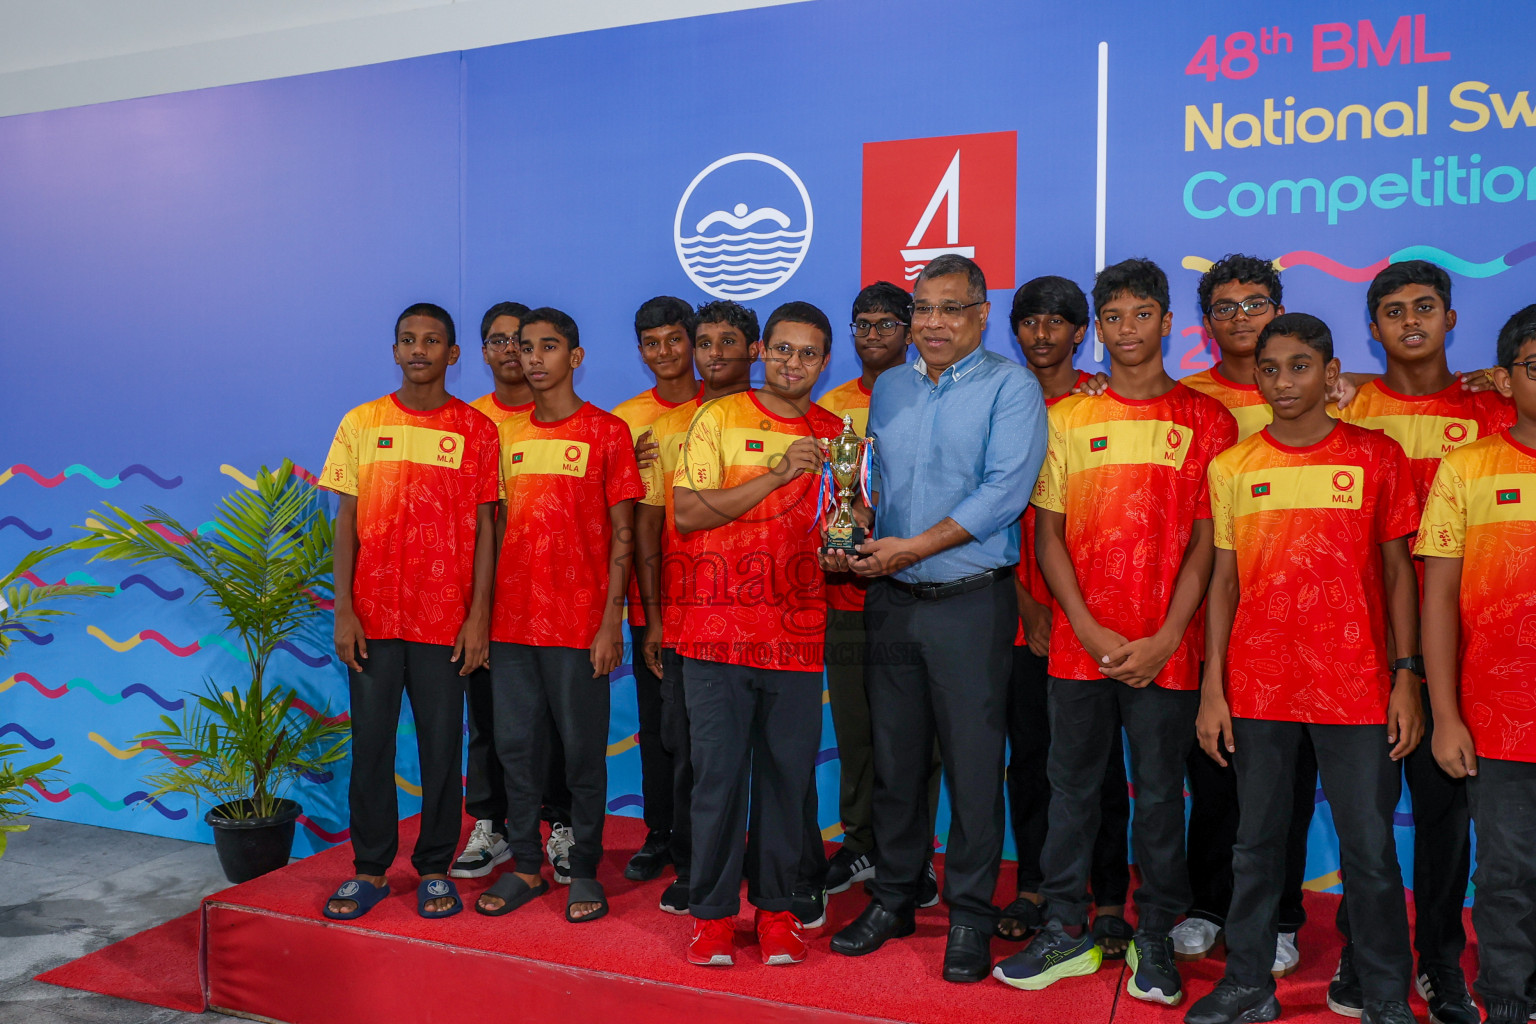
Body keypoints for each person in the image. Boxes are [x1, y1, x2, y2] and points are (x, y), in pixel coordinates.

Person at [995, 258, 1236, 1006]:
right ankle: (1066, 927)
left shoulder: (1207, 420)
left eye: (1141, 315)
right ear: (1097, 329)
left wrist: (1167, 635)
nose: (1127, 329)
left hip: (1168, 648)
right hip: (1080, 644)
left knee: (1162, 797)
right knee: (1071, 792)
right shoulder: (1066, 417)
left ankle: (1154, 936)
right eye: (1114, 317)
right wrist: (1088, 626)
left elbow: (1208, 542)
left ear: (1168, 324)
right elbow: (1048, 539)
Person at [1186, 313, 1424, 1024]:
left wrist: (1406, 676)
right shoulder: (1232, 467)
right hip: (1258, 687)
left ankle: (1383, 991)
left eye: (1298, 366)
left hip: (1357, 688)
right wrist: (1211, 688)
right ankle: (1247, 981)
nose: (1283, 381)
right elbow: (1223, 584)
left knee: (1372, 851)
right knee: (1256, 846)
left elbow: (1398, 574)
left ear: (1329, 373)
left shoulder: (1377, 456)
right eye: (1269, 368)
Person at [827, 254, 1047, 984]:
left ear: (983, 315)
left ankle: (972, 918)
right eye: (924, 309)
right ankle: (893, 896)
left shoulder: (1011, 387)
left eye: (952, 309)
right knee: (895, 763)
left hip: (968, 604)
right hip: (891, 603)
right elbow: (875, 486)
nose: (934, 323)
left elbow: (1003, 495)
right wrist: (855, 525)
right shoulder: (887, 388)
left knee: (974, 768)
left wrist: (912, 547)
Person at [1329, 260, 1514, 1024]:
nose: (1411, 321)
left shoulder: (1492, 409)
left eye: (1426, 307)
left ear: (1451, 319)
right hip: (1360, 650)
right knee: (1364, 822)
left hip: (1461, 657)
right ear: (1371, 329)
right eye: (1394, 310)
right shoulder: (1347, 408)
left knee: (1445, 825)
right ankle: (1360, 955)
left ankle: (1441, 962)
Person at [672, 301, 845, 967]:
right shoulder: (718, 416)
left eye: (807, 353)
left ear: (825, 362)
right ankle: (712, 917)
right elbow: (687, 511)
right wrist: (776, 475)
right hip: (715, 633)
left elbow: (845, 520)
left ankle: (776, 913)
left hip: (797, 635)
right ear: (760, 353)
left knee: (784, 781)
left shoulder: (835, 432)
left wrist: (845, 545)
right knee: (716, 780)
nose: (793, 363)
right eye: (782, 350)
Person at [321, 302, 499, 921]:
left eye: (431, 341)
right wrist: (344, 609)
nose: (418, 349)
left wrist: (477, 618)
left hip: (444, 622)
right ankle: (369, 868)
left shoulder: (478, 431)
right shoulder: (361, 423)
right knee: (370, 745)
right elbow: (344, 524)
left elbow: (484, 529)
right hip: (372, 619)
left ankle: (433, 869)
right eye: (407, 340)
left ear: (453, 354)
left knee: (441, 747)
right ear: (394, 350)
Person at [1171, 256, 1317, 978]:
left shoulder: (1324, 390)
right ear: (1206, 323)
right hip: (1212, 619)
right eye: (1224, 308)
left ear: (1278, 307)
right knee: (1215, 778)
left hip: (1299, 632)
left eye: (1254, 303)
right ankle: (1207, 904)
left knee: (1283, 789)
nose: (1240, 318)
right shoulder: (1190, 398)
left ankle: (1284, 915)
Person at [475, 308, 643, 924]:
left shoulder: (607, 431)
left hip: (579, 627)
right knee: (516, 750)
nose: (534, 357)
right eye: (525, 347)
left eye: (549, 347)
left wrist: (611, 622)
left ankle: (586, 870)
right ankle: (525, 866)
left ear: (575, 357)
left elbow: (624, 535)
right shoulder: (500, 437)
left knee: (581, 755)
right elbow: (490, 534)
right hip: (510, 627)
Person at [996, 276, 1132, 955]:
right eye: (1030, 322)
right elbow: (992, 520)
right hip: (1020, 614)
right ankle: (1037, 886)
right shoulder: (998, 401)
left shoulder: (1101, 402)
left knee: (1099, 766)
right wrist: (1028, 605)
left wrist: (1070, 616)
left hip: (1092, 614)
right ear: (1014, 331)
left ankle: (1110, 897)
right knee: (1032, 760)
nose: (1042, 333)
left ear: (1082, 333)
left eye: (1058, 322)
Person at [1418, 305, 1536, 1024]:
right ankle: (1507, 997)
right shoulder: (1468, 468)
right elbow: (1438, 602)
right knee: (1507, 873)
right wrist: (1447, 715)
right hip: (1497, 718)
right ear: (1507, 377)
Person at [813, 282, 938, 911]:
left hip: (922, 591)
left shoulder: (933, 396)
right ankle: (860, 842)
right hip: (848, 597)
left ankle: (912, 854)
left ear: (911, 329)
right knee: (857, 734)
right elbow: (825, 500)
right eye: (862, 324)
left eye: (887, 323)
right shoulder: (832, 407)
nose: (873, 334)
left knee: (920, 739)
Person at [635, 299, 759, 914]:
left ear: (752, 351)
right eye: (703, 343)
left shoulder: (781, 417)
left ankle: (770, 862)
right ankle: (694, 863)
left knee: (773, 752)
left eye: (724, 342)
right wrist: (656, 616)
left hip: (765, 612)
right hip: (687, 613)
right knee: (690, 748)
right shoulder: (668, 427)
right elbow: (655, 525)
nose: (712, 354)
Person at [453, 300, 574, 882]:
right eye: (500, 341)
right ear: (483, 352)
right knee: (489, 720)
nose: (512, 352)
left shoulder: (567, 420)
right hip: (485, 599)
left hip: (554, 603)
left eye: (521, 342)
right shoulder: (472, 421)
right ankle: (491, 825)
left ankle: (560, 824)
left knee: (554, 723)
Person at [613, 296, 701, 884]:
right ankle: (660, 833)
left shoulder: (723, 407)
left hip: (721, 598)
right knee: (658, 724)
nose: (665, 352)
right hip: (653, 600)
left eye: (675, 339)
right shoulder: (624, 421)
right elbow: (617, 516)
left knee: (708, 730)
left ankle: (707, 839)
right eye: (652, 343)